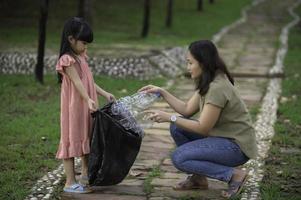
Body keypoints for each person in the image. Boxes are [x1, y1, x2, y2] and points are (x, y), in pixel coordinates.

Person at [139, 40, 257, 198]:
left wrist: (170, 117)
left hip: (236, 147)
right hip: (222, 139)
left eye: (190, 63)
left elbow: (203, 128)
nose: (188, 68)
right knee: (178, 127)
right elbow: (186, 110)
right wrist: (162, 92)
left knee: (179, 157)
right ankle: (198, 179)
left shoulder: (217, 87)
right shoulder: (209, 81)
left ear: (203, 63)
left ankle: (234, 175)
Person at [55, 17, 115, 194]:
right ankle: (70, 182)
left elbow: (89, 80)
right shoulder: (67, 60)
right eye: (84, 42)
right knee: (71, 139)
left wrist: (103, 93)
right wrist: (88, 98)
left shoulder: (80, 56)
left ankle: (86, 175)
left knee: (86, 138)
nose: (86, 47)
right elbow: (77, 82)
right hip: (75, 108)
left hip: (86, 106)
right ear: (71, 39)